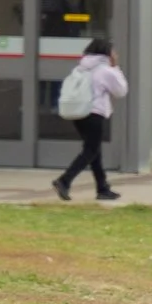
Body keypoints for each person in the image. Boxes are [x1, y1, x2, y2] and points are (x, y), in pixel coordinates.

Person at [52, 38, 125, 202]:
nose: (116, 54)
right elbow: (121, 91)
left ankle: (102, 188)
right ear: (107, 53)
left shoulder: (81, 67)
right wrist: (116, 68)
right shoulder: (105, 70)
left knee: (94, 152)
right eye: (114, 51)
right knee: (91, 151)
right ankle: (64, 180)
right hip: (94, 113)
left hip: (79, 113)